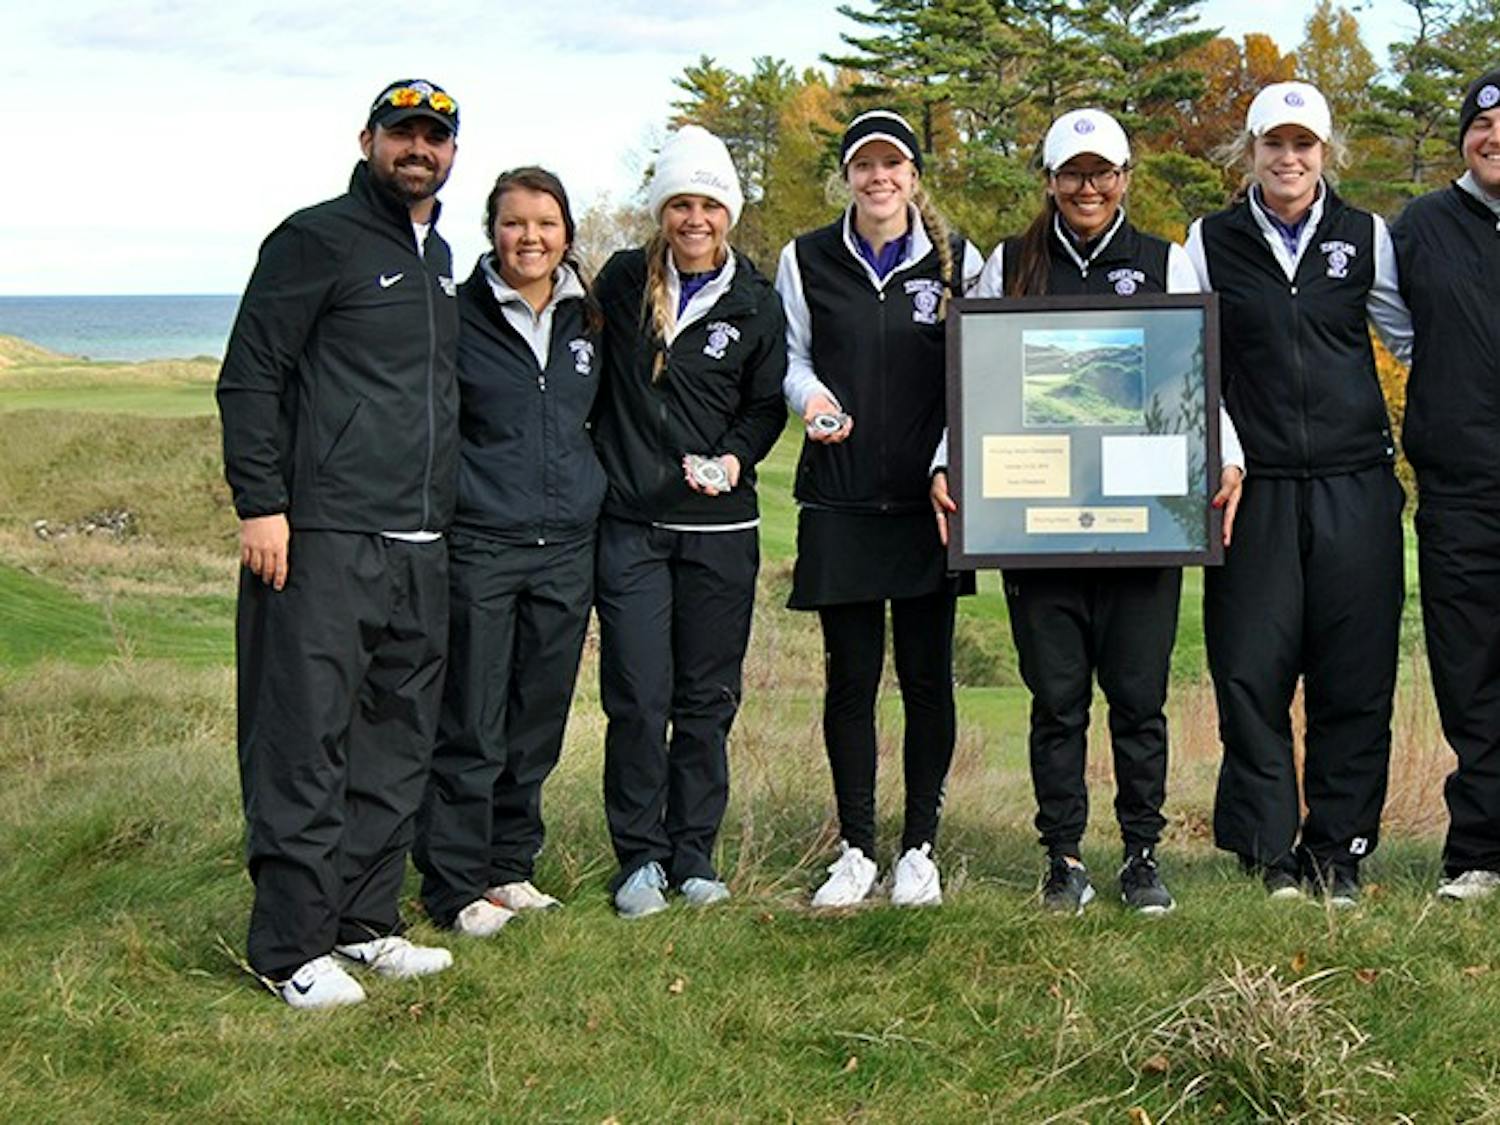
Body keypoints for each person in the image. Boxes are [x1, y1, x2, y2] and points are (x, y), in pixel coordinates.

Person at [931, 108, 1244, 915]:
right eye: (1072, 173)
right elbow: (976, 381)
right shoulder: (1010, 263)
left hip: (1143, 517)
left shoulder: (1165, 260)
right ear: (1049, 180)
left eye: (1102, 172)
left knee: (1138, 698)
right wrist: (945, 461)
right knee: (1057, 700)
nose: (1088, 187)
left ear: (1125, 177)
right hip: (1038, 519)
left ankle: (1142, 853)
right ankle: (1063, 856)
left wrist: (1228, 455)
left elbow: (1197, 376)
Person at [216, 78, 462, 1008]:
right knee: (303, 740)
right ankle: (290, 948)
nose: (417, 148)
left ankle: (363, 922)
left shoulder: (441, 256)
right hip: (323, 537)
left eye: (434, 137)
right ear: (368, 140)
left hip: (420, 541)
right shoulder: (314, 237)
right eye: (402, 132)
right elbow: (251, 375)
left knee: (393, 744)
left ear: (451, 152)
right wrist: (261, 504)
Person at [1184, 81, 1411, 906]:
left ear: (1325, 152)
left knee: (1355, 673)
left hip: (1356, 483)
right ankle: (1268, 849)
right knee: (1252, 669)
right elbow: (1189, 359)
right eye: (1274, 144)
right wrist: (1227, 451)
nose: (1289, 158)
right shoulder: (1209, 241)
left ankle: (1338, 850)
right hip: (1256, 487)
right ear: (1250, 151)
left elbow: (1410, 337)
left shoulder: (1365, 234)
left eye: (1303, 144)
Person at [776, 109, 982, 909]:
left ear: (913, 175)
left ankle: (919, 848)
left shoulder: (959, 261)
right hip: (842, 494)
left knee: (927, 679)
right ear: (848, 176)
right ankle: (856, 848)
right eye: (864, 164)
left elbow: (975, 372)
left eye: (892, 164)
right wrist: (812, 397)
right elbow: (792, 357)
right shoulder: (806, 257)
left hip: (931, 501)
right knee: (851, 680)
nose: (879, 177)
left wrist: (946, 460)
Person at [590, 125, 788, 917]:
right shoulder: (621, 280)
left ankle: (694, 853)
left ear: (728, 212)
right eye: (680, 204)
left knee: (705, 701)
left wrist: (736, 457)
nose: (695, 219)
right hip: (631, 525)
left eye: (709, 204)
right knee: (638, 696)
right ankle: (639, 857)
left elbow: (766, 405)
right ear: (662, 211)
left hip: (720, 529)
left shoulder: (756, 299)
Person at [413, 168, 604, 937]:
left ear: (567, 233)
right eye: (514, 222)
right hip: (482, 545)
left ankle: (508, 866)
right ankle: (454, 884)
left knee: (536, 721)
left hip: (567, 548)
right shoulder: (457, 313)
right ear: (492, 230)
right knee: (472, 721)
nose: (530, 237)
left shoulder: (589, 317)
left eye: (545, 223)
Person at [1391, 67, 1500, 902]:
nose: (1494, 138)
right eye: (1482, 125)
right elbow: (1395, 326)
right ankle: (1480, 853)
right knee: (1471, 673)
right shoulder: (1421, 225)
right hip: (1462, 490)